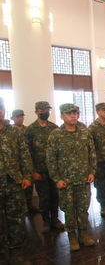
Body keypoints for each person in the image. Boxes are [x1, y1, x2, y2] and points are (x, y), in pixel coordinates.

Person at [47, 103, 96, 251]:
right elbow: (51, 159)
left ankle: (83, 234)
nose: (73, 116)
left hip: (83, 179)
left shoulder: (84, 133)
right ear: (62, 116)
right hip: (66, 181)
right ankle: (72, 237)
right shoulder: (56, 135)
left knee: (83, 208)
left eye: (75, 113)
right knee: (69, 209)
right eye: (69, 113)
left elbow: (92, 154)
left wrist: (92, 171)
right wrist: (56, 178)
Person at [0, 97, 33, 264]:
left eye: (1, 108)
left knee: (17, 218)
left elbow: (24, 156)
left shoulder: (14, 132)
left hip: (14, 182)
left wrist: (27, 176)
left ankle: (17, 251)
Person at [25, 101, 64, 232]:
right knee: (44, 198)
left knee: (55, 196)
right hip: (39, 171)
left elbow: (60, 150)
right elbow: (27, 153)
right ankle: (46, 221)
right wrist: (32, 171)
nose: (45, 112)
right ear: (36, 111)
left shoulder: (54, 128)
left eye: (47, 110)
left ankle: (55, 219)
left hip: (54, 171)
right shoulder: (30, 130)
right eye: (42, 110)